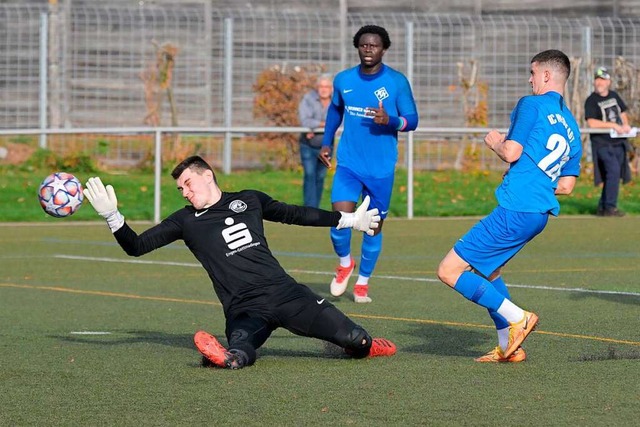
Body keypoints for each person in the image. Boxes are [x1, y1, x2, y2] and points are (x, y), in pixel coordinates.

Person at [83, 155, 397, 370]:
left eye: (189, 184)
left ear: (208, 175)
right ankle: (226, 356)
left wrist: (349, 219)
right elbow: (136, 246)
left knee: (359, 340)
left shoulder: (248, 200)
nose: (186, 192)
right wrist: (113, 216)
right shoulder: (184, 221)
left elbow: (296, 214)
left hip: (287, 295)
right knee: (240, 352)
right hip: (243, 308)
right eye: (181, 189)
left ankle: (358, 345)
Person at [436, 49, 582, 363]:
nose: (529, 80)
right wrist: (532, 177)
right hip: (538, 214)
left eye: (532, 73)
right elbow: (567, 186)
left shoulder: (531, 104)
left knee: (448, 271)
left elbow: (512, 152)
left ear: (545, 75)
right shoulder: (572, 126)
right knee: (491, 270)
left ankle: (519, 318)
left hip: (516, 209)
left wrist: (494, 142)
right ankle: (508, 346)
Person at [319, 25, 419, 303]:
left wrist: (391, 121)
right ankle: (344, 263)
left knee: (373, 227)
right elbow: (335, 110)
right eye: (363, 45)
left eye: (373, 46)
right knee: (339, 219)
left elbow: (413, 120)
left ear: (383, 49)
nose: (368, 50)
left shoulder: (397, 82)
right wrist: (326, 142)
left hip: (380, 169)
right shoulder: (343, 80)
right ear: (357, 47)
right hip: (349, 163)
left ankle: (362, 282)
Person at [584, 66, 633, 217]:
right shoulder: (591, 100)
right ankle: (610, 207)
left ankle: (603, 208)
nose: (599, 82)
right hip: (603, 144)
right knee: (612, 172)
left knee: (613, 175)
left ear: (608, 82)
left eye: (602, 80)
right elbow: (591, 122)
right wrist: (613, 125)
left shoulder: (614, 95)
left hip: (618, 142)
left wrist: (625, 125)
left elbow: (623, 112)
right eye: (597, 79)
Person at [297, 74, 333, 208]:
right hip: (308, 145)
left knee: (320, 176)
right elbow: (305, 120)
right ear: (317, 88)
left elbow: (340, 122)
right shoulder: (308, 99)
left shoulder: (336, 101)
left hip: (326, 145)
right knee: (310, 175)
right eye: (321, 86)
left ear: (331, 89)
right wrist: (324, 124)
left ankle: (315, 208)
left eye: (327, 87)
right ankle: (309, 208)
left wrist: (316, 125)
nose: (324, 89)